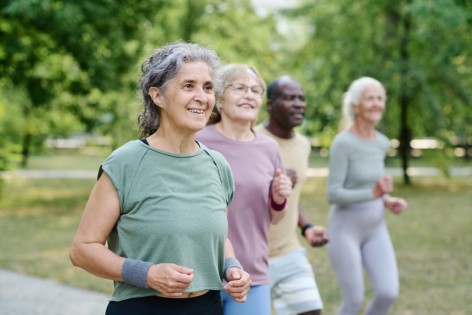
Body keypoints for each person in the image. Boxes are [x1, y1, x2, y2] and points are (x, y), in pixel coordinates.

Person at [69, 42, 251, 315]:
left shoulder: (218, 165)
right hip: (141, 308)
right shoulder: (125, 163)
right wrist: (147, 274)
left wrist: (232, 268)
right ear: (158, 96)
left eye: (208, 87)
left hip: (207, 307)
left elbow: (218, 237)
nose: (201, 96)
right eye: (188, 86)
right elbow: (82, 250)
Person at [197, 64, 292, 315]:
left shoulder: (269, 148)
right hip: (200, 271)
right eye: (239, 88)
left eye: (255, 90)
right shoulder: (197, 140)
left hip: (251, 271)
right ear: (219, 98)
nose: (249, 95)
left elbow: (275, 217)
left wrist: (280, 199)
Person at [327, 76, 408, 315]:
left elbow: (376, 185)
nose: (376, 103)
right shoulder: (343, 143)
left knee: (387, 292)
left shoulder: (382, 143)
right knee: (353, 301)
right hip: (345, 230)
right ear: (355, 105)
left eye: (380, 98)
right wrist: (373, 193)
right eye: (369, 98)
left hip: (376, 229)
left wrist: (387, 200)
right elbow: (333, 193)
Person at [255, 76, 329, 315]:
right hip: (251, 258)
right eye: (289, 98)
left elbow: (293, 199)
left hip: (288, 251)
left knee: (310, 311)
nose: (298, 104)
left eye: (302, 98)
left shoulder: (303, 145)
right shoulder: (252, 140)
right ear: (270, 106)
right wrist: (271, 185)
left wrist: (306, 226)